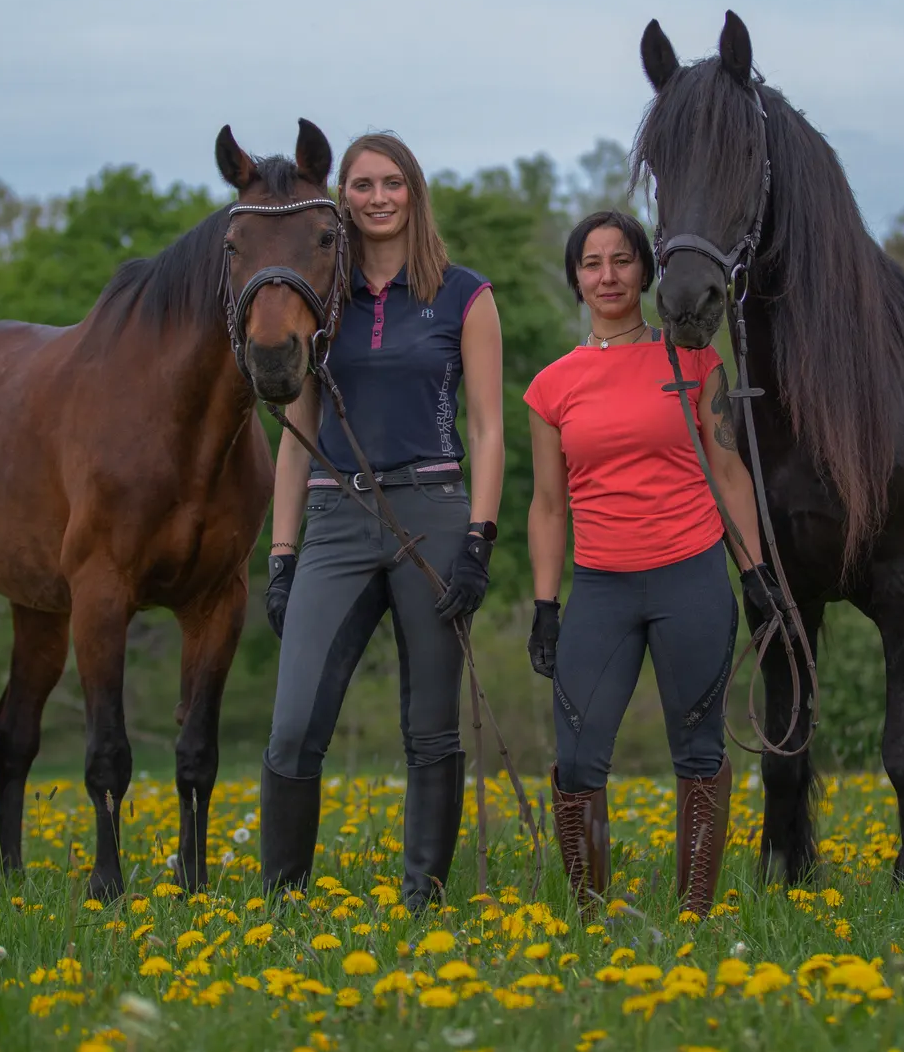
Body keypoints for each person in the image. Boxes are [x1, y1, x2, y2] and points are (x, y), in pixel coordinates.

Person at [260, 131, 504, 911]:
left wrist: (480, 540)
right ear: (343, 196)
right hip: (335, 514)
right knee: (295, 721)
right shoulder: (318, 298)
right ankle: (283, 905)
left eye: (391, 182)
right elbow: (294, 438)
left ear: (413, 191)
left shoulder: (464, 293)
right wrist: (283, 552)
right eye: (361, 184)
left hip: (432, 513)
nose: (376, 198)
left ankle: (422, 901)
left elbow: (491, 427)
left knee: (431, 726)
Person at [524, 209, 782, 919]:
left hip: (691, 576)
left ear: (646, 271)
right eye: (591, 263)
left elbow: (732, 477)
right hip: (600, 588)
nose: (607, 275)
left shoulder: (698, 361)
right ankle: (586, 912)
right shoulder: (550, 387)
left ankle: (695, 913)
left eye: (622, 259)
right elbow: (549, 506)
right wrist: (547, 605)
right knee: (577, 760)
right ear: (576, 278)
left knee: (698, 751)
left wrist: (756, 573)